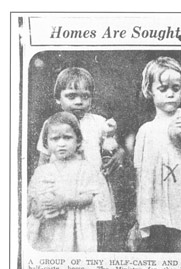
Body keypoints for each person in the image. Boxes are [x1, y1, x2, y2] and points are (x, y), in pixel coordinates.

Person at [36, 67, 124, 251]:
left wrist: (119, 154)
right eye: (72, 96)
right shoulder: (52, 124)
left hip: (94, 189)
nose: (79, 102)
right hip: (64, 189)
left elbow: (113, 146)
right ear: (58, 98)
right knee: (64, 235)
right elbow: (43, 160)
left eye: (85, 97)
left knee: (98, 234)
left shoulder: (99, 122)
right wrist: (41, 191)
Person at [134, 56, 181, 252]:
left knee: (180, 239)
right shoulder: (146, 130)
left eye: (175, 89)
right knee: (158, 241)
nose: (170, 94)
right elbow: (140, 172)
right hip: (156, 196)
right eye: (163, 89)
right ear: (149, 90)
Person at [28, 112, 99, 252]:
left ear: (78, 140)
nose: (61, 144)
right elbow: (31, 199)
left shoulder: (84, 168)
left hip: (75, 226)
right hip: (48, 228)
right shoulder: (42, 171)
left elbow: (89, 197)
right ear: (46, 143)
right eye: (55, 139)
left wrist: (65, 201)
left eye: (67, 138)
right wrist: (36, 207)